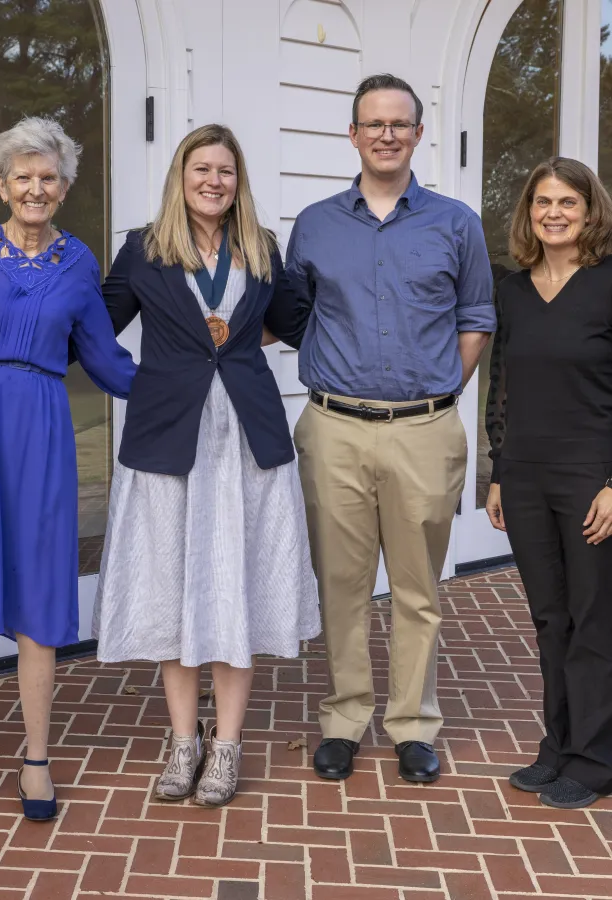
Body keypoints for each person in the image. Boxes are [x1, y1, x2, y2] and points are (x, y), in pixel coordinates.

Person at [0, 117, 135, 824]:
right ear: (1, 183)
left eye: (47, 177)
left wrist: (190, 383)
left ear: (64, 188)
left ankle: (37, 758)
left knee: (40, 601)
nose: (34, 188)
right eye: (21, 176)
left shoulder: (78, 262)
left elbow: (103, 359)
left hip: (41, 425)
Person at [92, 123, 320, 809]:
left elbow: (297, 321)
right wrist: (147, 379)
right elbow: (96, 328)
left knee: (236, 585)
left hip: (246, 438)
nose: (213, 181)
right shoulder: (143, 249)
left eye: (225, 170)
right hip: (170, 439)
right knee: (174, 584)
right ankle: (183, 740)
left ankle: (227, 745)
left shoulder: (262, 248)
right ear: (180, 176)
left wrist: (239, 340)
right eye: (201, 169)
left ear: (236, 180)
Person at [287, 74, 495, 784]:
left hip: (423, 432)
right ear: (352, 134)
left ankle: (412, 724)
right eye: (372, 123)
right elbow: (292, 313)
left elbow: (476, 322)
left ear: (417, 134)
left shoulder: (455, 222)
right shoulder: (314, 223)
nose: (385, 134)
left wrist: (433, 396)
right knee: (339, 585)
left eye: (398, 124)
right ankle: (345, 718)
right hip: (333, 427)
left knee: (417, 589)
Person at [486, 157, 612, 809]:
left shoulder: (609, 283)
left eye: (568, 202)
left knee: (595, 619)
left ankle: (595, 759)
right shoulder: (512, 289)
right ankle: (558, 746)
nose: (554, 213)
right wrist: (500, 470)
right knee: (549, 617)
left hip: (592, 475)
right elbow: (501, 384)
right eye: (542, 202)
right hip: (528, 476)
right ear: (528, 212)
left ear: (590, 211)